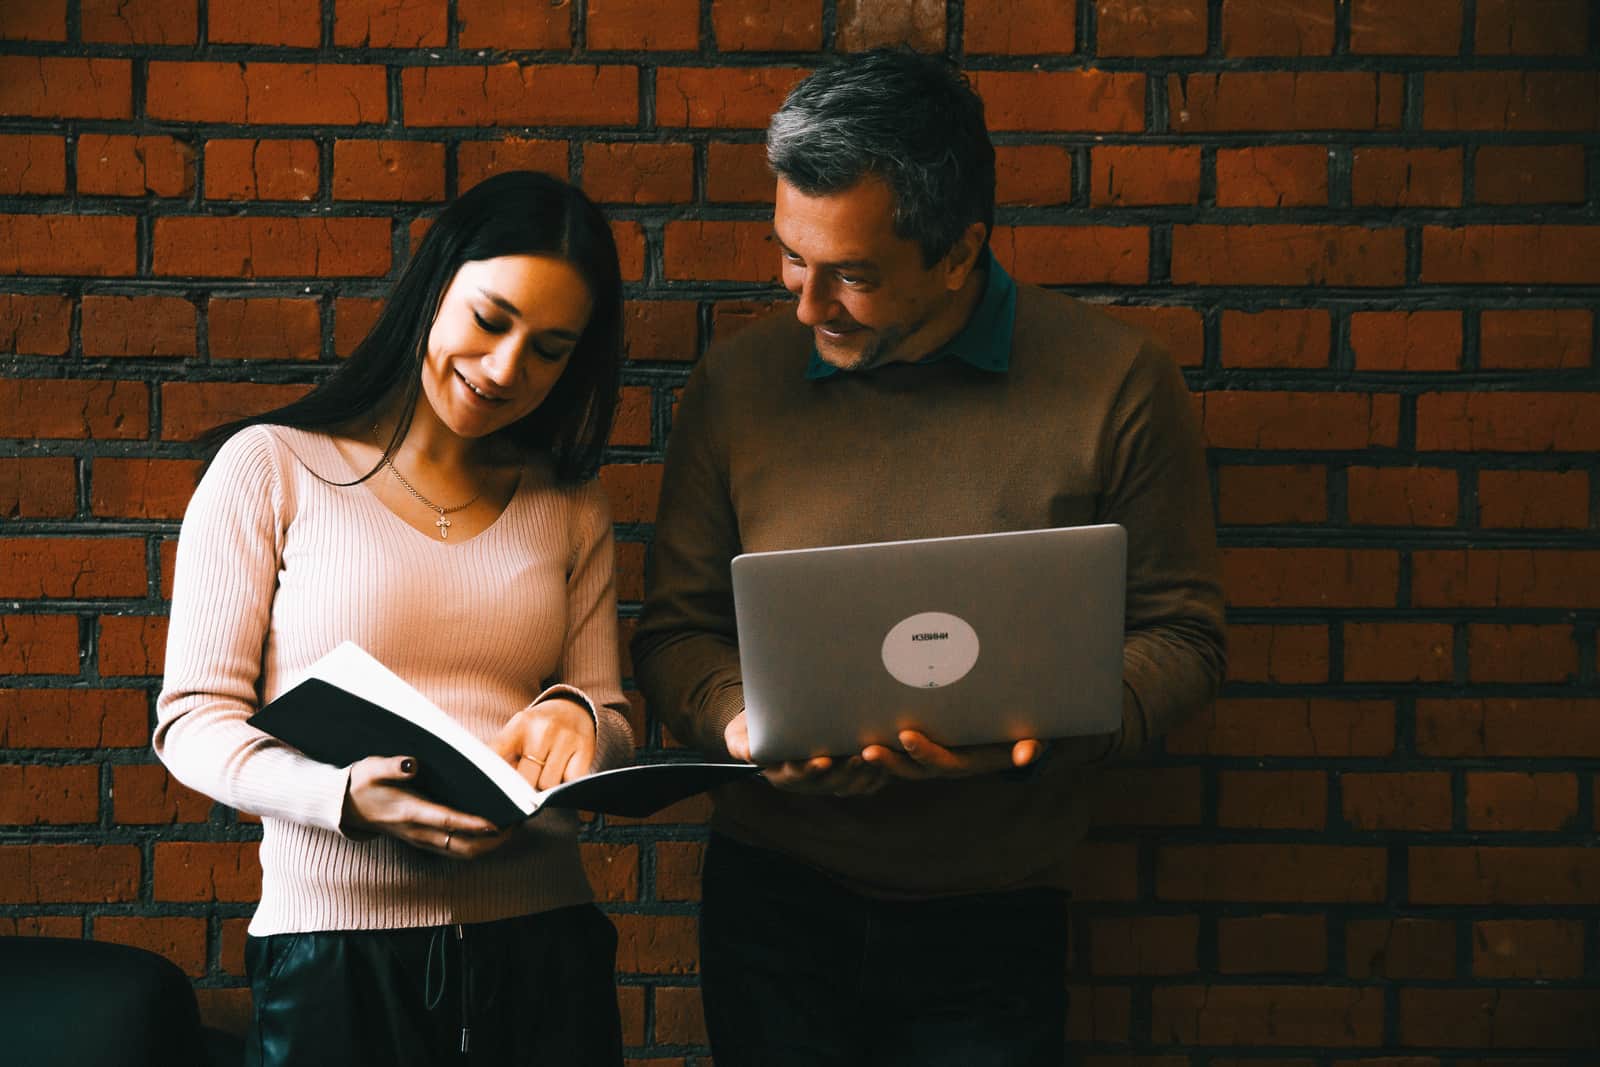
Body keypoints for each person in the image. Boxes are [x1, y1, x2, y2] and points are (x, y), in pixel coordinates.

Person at [631, 50, 1227, 1066]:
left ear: (958, 253)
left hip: (993, 913)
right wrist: (738, 719)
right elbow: (677, 629)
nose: (807, 308)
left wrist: (1058, 717)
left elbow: (1181, 634)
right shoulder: (738, 386)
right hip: (775, 901)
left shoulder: (1117, 383)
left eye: (853, 275)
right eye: (788, 257)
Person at [155, 170, 632, 1067]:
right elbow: (191, 723)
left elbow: (610, 715)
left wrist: (577, 716)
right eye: (491, 321)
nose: (505, 371)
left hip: (543, 948)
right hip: (337, 957)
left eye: (549, 349)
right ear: (434, 285)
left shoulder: (569, 502)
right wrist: (339, 799)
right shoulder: (271, 468)